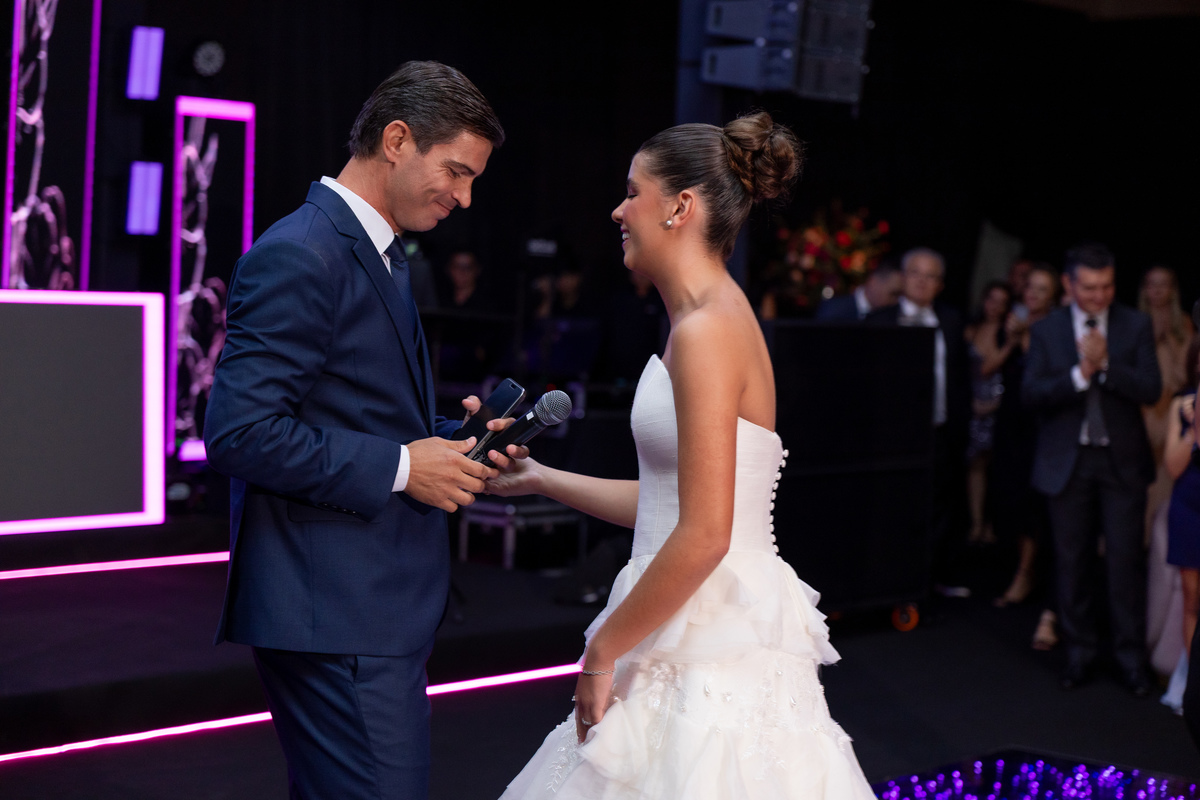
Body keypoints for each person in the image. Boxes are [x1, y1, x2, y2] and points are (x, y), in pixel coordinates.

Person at [490, 113, 875, 798]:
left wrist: (601, 651)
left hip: (706, 632)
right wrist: (541, 479)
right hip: (696, 613)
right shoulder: (709, 319)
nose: (618, 211)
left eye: (631, 193)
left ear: (680, 207)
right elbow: (676, 506)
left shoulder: (705, 331)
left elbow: (704, 533)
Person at [203, 62, 513, 799]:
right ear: (397, 140)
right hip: (335, 611)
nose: (465, 197)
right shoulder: (302, 250)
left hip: (361, 607)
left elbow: (353, 412)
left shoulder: (374, 250)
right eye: (457, 172)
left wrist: (453, 439)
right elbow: (240, 431)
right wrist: (405, 467)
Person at [1023, 242, 1162, 695]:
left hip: (1122, 463)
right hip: (1068, 462)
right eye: (1089, 287)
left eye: (1106, 286)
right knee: (1071, 564)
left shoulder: (1135, 324)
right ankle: (1079, 654)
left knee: (1125, 565)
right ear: (1069, 284)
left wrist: (1105, 366)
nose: (1099, 295)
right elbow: (1032, 394)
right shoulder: (1047, 329)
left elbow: (1151, 388)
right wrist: (1080, 374)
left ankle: (1130, 660)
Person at [867, 247, 971, 597]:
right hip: (892, 439)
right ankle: (890, 583)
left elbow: (960, 379)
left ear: (940, 285)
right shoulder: (879, 321)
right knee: (893, 508)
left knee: (937, 509)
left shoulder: (951, 322)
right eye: (916, 273)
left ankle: (928, 583)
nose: (922, 282)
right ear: (902, 277)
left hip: (940, 433)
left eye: (931, 276)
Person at [988, 265, 1059, 648]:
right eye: (1030, 287)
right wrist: (1013, 339)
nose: (1032, 294)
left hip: (1040, 426)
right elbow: (990, 366)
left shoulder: (1055, 330)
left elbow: (1043, 377)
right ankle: (1021, 567)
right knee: (1009, 495)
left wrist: (1028, 337)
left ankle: (1027, 573)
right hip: (1010, 422)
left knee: (1034, 503)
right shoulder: (1011, 324)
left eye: (1041, 289)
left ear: (1053, 296)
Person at [1161, 334, 1200, 712]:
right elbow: (1173, 466)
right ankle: (1195, 686)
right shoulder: (1181, 403)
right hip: (1189, 506)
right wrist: (1192, 429)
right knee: (1193, 600)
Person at [963, 280, 1015, 544]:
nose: (995, 307)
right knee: (974, 465)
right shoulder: (970, 329)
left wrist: (1010, 344)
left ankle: (994, 524)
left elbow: (988, 369)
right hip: (973, 404)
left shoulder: (1006, 334)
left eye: (1001, 302)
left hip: (997, 405)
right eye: (991, 300)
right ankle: (976, 523)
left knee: (997, 466)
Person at [815, 262, 902, 321]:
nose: (896, 301)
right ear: (873, 283)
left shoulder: (890, 317)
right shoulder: (834, 311)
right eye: (894, 294)